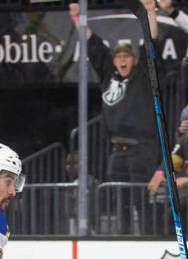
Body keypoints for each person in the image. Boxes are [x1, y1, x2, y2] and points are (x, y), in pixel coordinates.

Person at [69, 2, 160, 183]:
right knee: (118, 199)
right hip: (117, 149)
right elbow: (91, 42)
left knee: (140, 200)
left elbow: (151, 42)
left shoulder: (142, 75)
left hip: (142, 149)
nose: (122, 59)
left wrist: (150, 12)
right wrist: (76, 18)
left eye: (126, 56)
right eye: (118, 57)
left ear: (134, 60)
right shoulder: (109, 74)